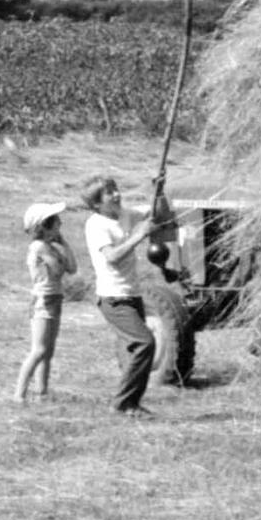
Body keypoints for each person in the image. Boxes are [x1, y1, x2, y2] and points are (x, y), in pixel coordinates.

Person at [79, 175, 168, 416]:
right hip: (113, 298)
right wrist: (140, 235)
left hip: (132, 294)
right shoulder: (96, 225)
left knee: (134, 353)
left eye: (115, 189)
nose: (116, 194)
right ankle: (121, 403)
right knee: (145, 343)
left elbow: (156, 212)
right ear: (97, 203)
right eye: (109, 193)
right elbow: (112, 257)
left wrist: (158, 189)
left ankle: (131, 405)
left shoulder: (126, 214)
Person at [14, 201, 76, 402]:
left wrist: (64, 243)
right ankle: (19, 394)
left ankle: (42, 391)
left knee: (48, 351)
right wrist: (60, 250)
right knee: (39, 349)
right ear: (45, 225)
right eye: (56, 220)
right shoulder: (40, 246)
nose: (61, 223)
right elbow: (59, 269)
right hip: (43, 300)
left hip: (55, 298)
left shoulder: (50, 246)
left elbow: (73, 268)